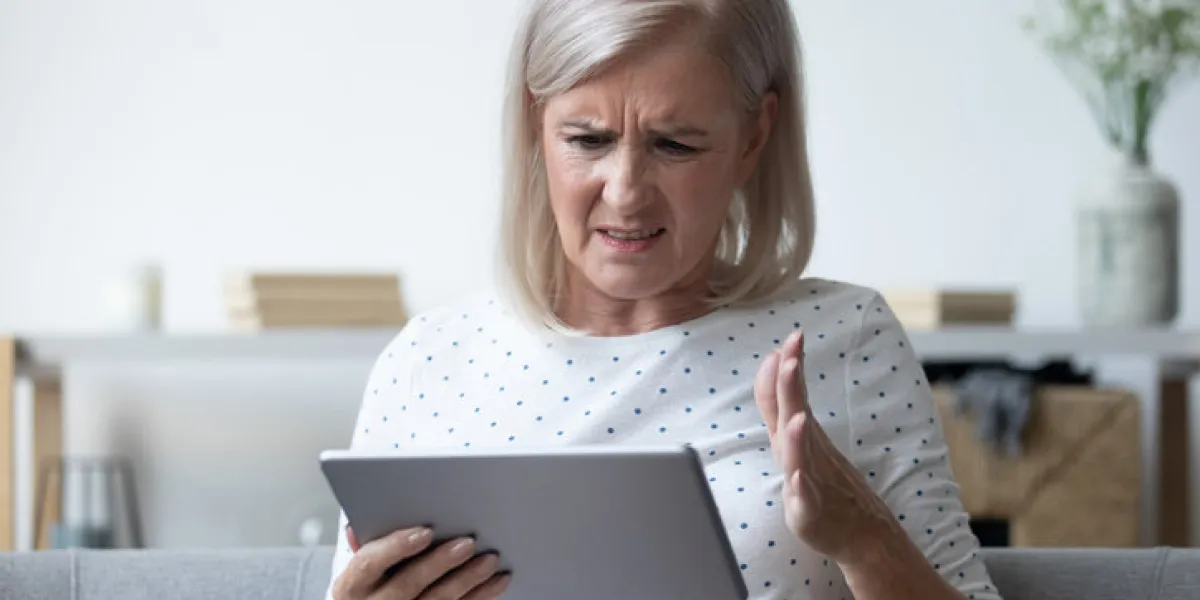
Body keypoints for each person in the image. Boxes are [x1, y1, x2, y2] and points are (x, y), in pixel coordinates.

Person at [325, 0, 1002, 598]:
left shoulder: (846, 342)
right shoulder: (428, 362)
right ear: (537, 124)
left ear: (754, 138)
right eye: (587, 140)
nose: (625, 191)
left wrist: (865, 540)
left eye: (674, 145)